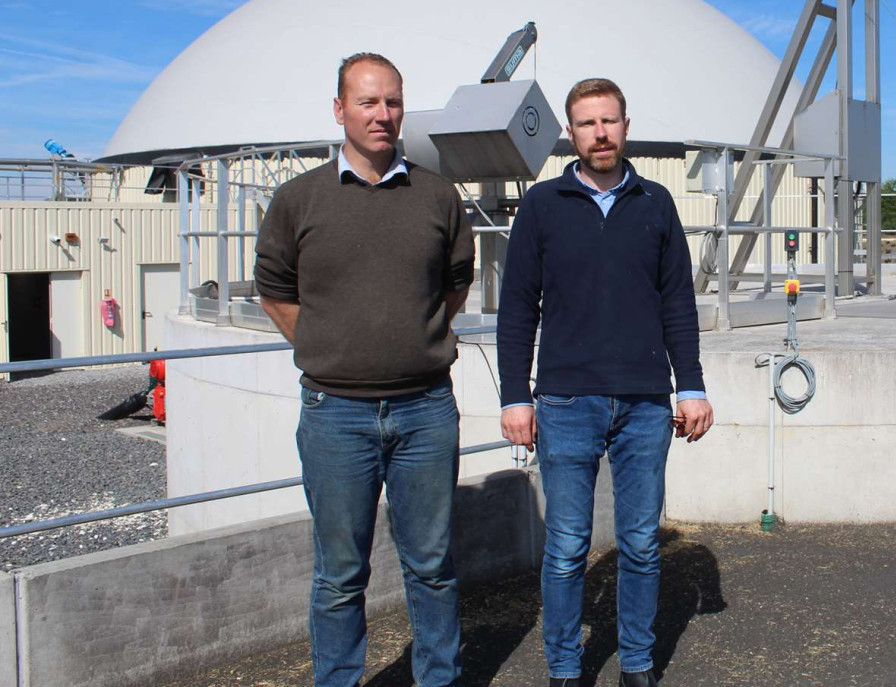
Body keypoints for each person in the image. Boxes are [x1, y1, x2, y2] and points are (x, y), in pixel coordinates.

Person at [254, 52, 475, 687]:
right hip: (336, 416)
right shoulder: (299, 200)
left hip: (425, 410)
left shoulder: (436, 196)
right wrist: (328, 347)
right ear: (339, 110)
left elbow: (453, 285)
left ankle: (439, 678)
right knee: (339, 574)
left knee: (431, 566)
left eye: (393, 102)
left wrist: (414, 337)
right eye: (368, 102)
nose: (383, 115)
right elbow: (275, 291)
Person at [498, 78, 714, 687]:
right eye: (588, 123)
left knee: (642, 543)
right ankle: (565, 669)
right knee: (567, 546)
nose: (600, 133)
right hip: (565, 401)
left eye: (610, 121)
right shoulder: (543, 205)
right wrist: (516, 395)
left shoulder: (656, 202)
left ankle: (638, 664)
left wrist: (690, 385)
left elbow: (677, 302)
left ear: (625, 126)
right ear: (570, 131)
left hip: (646, 402)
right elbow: (518, 308)